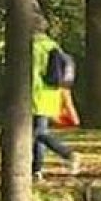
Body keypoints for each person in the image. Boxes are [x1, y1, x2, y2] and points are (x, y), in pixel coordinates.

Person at [31, 12, 80, 181]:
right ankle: (36, 170)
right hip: (51, 95)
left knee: (38, 133)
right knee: (38, 135)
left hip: (34, 94)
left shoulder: (32, 47)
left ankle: (68, 154)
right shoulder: (53, 46)